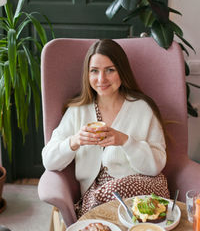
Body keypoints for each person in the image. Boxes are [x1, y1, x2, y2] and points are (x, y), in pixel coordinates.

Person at [42, 39, 170, 218]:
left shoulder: (143, 108)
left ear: (121, 71)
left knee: (139, 201)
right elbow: (49, 161)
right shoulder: (77, 111)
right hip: (98, 195)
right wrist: (74, 141)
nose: (101, 79)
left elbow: (156, 167)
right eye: (94, 71)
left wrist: (125, 141)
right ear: (87, 74)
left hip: (144, 185)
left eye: (110, 70)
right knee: (107, 203)